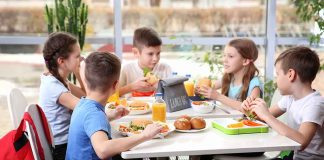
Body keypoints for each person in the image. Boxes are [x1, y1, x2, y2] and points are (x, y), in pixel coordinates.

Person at [66, 52, 163, 160]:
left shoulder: (82, 104)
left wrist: (109, 116)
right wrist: (144, 135)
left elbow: (89, 124)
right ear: (116, 85)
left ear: (86, 81)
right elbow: (103, 150)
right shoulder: (95, 114)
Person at [242, 46, 324, 160]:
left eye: (278, 75)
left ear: (291, 74)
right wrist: (250, 111)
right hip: (295, 156)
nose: (276, 80)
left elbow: (301, 142)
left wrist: (266, 115)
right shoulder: (290, 98)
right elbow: (262, 118)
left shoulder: (315, 104)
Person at [39, 32, 86, 159]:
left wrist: (78, 72)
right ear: (61, 61)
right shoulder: (54, 87)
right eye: (77, 56)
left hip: (67, 143)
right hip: (62, 150)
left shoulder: (57, 79)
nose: (81, 60)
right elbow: (87, 109)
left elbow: (85, 95)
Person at [196, 38, 262, 111]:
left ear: (245, 61)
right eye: (224, 55)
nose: (224, 60)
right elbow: (210, 88)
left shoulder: (254, 84)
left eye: (230, 56)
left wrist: (218, 96)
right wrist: (201, 89)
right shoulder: (228, 78)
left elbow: (251, 111)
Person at [119, 27, 172, 97]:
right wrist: (131, 87)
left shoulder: (165, 69)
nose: (155, 59)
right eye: (150, 54)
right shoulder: (127, 69)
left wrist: (161, 87)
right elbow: (113, 95)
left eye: (158, 53)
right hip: (131, 107)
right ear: (136, 52)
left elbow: (173, 94)